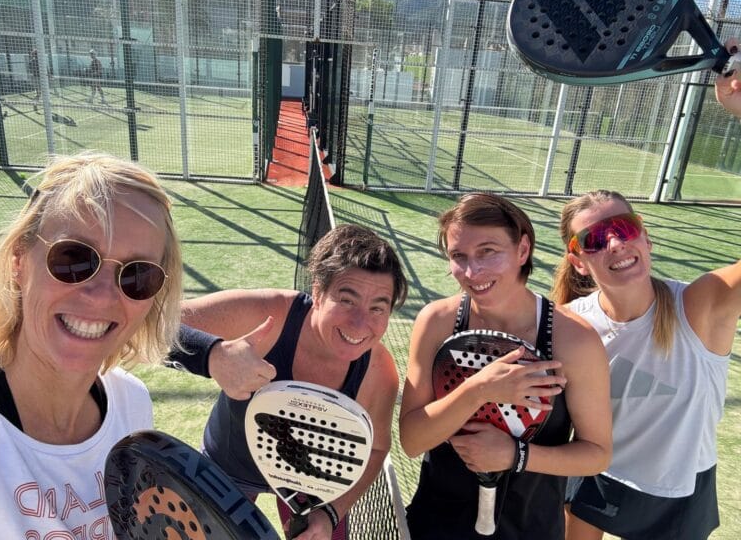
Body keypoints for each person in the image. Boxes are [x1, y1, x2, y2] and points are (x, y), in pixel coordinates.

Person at [0, 153, 183, 537]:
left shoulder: (131, 404)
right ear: (19, 259)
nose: (102, 296)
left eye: (138, 275)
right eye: (74, 258)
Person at [170, 223, 409, 540]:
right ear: (318, 292)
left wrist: (329, 513)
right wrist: (212, 356)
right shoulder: (268, 317)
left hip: (313, 484)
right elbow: (151, 327)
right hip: (230, 466)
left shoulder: (377, 371)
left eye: (378, 307)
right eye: (347, 300)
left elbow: (377, 449)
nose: (360, 324)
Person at [399, 192, 612, 540]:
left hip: (530, 527)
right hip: (436, 523)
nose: (472, 271)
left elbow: (597, 454)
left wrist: (517, 455)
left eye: (488, 252)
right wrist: (480, 388)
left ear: (522, 250)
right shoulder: (437, 321)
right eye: (458, 256)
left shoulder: (575, 340)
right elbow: (411, 440)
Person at [554, 188, 738, 540]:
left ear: (645, 238)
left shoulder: (699, 306)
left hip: (680, 483)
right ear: (578, 260)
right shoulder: (569, 325)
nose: (614, 243)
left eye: (623, 227)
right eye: (593, 238)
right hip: (598, 473)